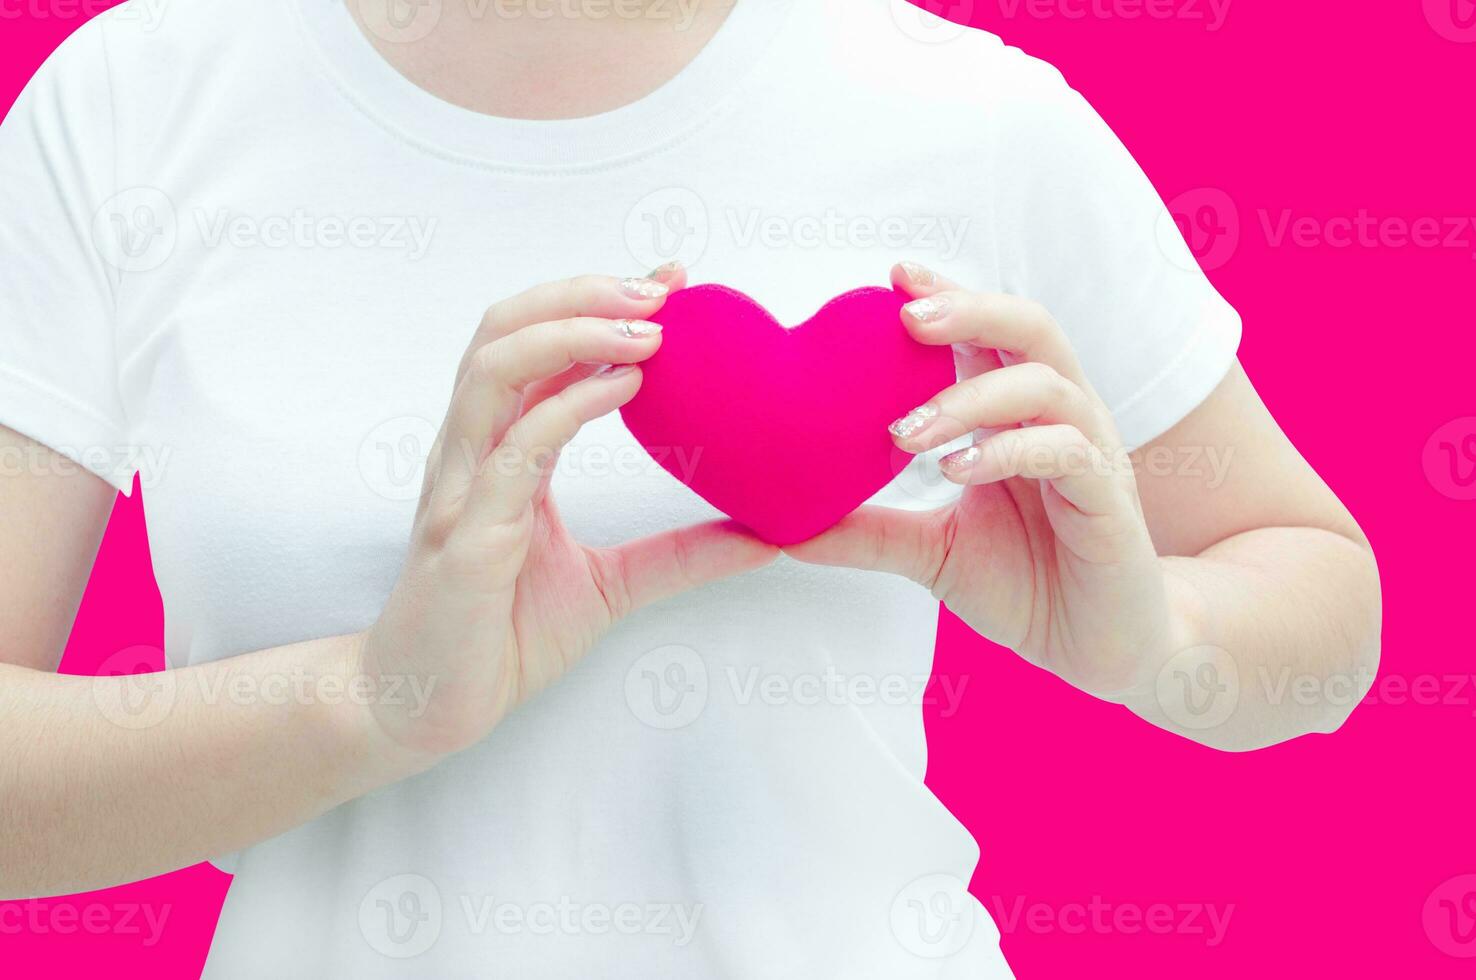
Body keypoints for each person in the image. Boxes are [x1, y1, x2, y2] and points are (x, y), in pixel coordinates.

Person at [0, 0, 1380, 976]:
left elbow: (1324, 604)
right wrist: (375, 699)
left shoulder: (972, 113)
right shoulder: (133, 103)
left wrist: (1159, 640)